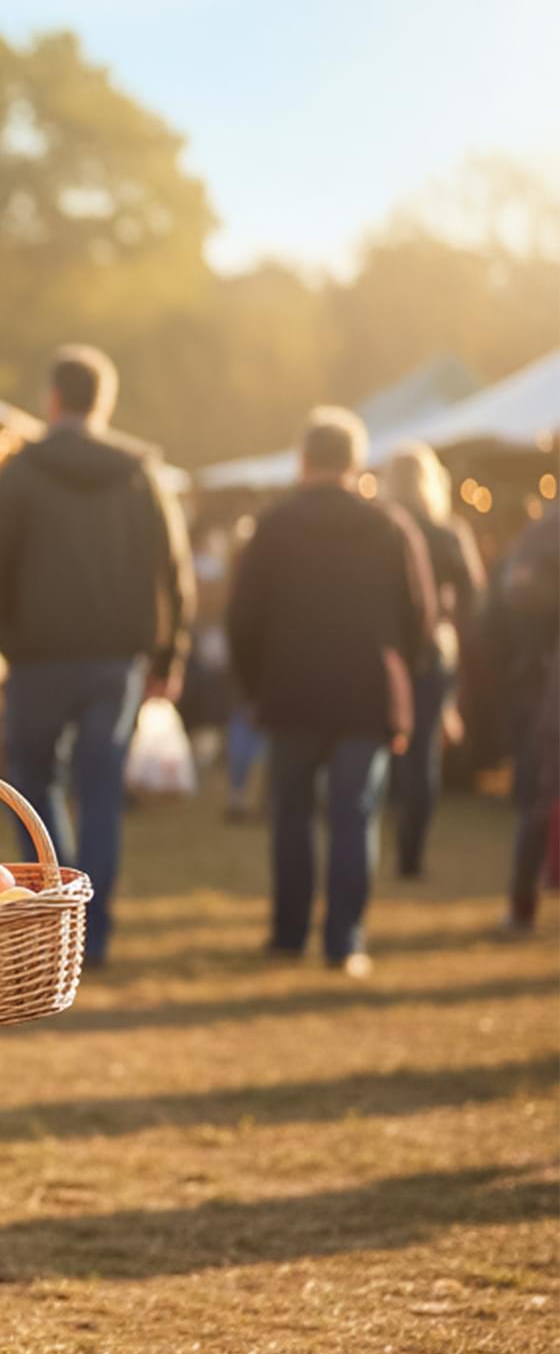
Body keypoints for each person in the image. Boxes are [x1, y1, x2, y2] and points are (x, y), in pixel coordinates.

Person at [0, 345, 194, 965]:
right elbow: (173, 570)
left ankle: (55, 913)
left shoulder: (20, 472)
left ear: (53, 400)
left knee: (34, 785)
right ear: (105, 402)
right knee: (101, 791)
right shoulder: (139, 473)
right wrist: (169, 657)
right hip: (114, 660)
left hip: (37, 656)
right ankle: (91, 931)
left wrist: (9, 637)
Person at [227, 408, 434, 976]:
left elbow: (243, 619)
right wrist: (402, 675)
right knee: (354, 816)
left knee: (291, 815)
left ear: (303, 460)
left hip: (290, 691)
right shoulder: (390, 526)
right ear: (356, 462)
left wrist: (254, 686)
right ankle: (345, 942)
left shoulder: (273, 526)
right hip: (367, 693)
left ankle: (289, 935)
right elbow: (419, 616)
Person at [382, 442, 487, 877]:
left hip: (388, 653)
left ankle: (378, 837)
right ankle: (411, 854)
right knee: (422, 754)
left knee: (383, 748)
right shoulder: (447, 533)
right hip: (434, 652)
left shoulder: (383, 530)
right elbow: (475, 598)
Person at [486, 505, 558, 937]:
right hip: (547, 677)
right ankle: (521, 902)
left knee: (543, 794)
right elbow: (514, 596)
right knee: (544, 794)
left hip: (542, 678)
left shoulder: (541, 532)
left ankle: (521, 903)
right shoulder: (546, 533)